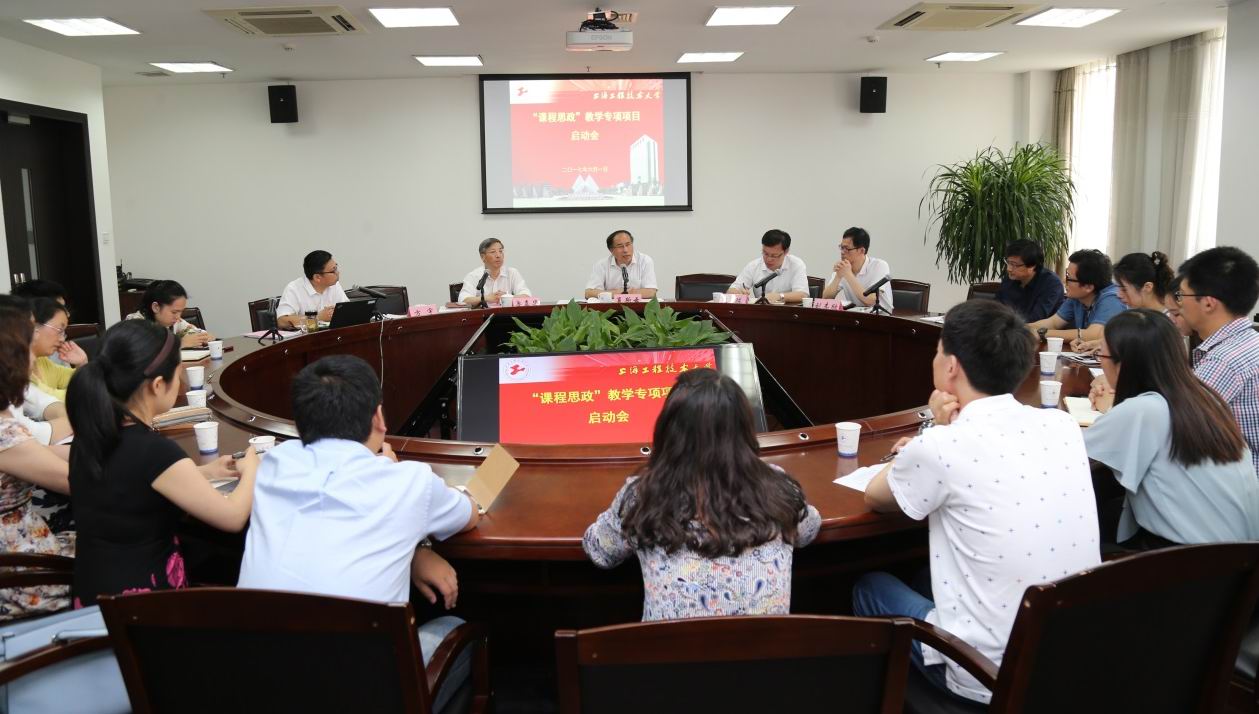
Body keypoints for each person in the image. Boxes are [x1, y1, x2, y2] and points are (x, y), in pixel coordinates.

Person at [854, 299, 1099, 705]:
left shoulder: (943, 444)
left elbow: (876, 496)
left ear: (951, 367)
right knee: (923, 576)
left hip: (986, 677)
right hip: (1066, 661)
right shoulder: (1061, 424)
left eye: (938, 351)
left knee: (870, 586)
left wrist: (932, 431)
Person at [237, 355, 478, 711]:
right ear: (378, 417)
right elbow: (469, 514)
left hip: (260, 686)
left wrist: (415, 549)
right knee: (459, 629)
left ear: (301, 423)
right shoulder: (407, 482)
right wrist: (413, 522)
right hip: (367, 694)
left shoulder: (274, 463)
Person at [583, 368, 820, 620]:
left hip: (670, 646)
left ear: (668, 431)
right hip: (768, 647)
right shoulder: (779, 489)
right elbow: (810, 528)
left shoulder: (643, 495)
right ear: (744, 429)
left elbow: (599, 551)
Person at [67, 320, 256, 607]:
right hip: (146, 605)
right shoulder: (154, 450)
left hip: (92, 593)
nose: (179, 382)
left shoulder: (91, 435)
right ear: (157, 385)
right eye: (177, 374)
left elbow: (132, 481)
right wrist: (252, 469)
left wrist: (205, 472)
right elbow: (232, 518)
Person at [1083, 309, 1259, 549]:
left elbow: (1073, 457)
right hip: (1243, 553)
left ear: (1123, 364)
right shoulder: (1205, 397)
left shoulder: (1142, 410)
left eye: (1101, 354)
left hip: (1188, 559)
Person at [0, 297, 75, 620]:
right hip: (21, 573)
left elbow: (42, 451)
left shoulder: (5, 415)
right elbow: (79, 481)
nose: (33, 358)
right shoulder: (3, 432)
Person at [1174, 246, 1259, 474]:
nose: (1179, 305)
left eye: (1182, 295)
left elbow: (1173, 426)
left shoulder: (1225, 361)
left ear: (1209, 303)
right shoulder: (1250, 341)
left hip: (1238, 486)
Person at [1071, 251, 1176, 354]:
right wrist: (1093, 344)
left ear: (1147, 287)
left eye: (1124, 289)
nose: (1119, 294)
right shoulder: (1138, 315)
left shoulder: (1169, 324)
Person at [1026, 249, 1125, 344]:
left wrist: (1042, 334)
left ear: (1088, 287)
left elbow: (1094, 335)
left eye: (1068, 277)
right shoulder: (1077, 296)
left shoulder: (1113, 299)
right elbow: (1054, 322)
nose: (1064, 281)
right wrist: (1022, 328)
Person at [821, 227, 893, 313]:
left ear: (862, 250)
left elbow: (870, 301)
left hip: (881, 316)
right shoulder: (844, 268)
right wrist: (838, 276)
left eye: (847, 249)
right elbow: (825, 298)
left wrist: (848, 275)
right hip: (856, 316)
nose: (842, 252)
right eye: (841, 247)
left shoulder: (879, 266)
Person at [125, 279, 213, 348]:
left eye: (181, 312)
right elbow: (145, 349)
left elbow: (194, 331)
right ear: (156, 307)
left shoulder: (175, 322)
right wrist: (180, 343)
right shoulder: (135, 323)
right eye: (174, 312)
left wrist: (204, 337)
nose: (178, 317)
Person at [727, 229, 809, 304]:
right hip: (761, 312)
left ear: (786, 251)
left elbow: (803, 294)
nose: (769, 259)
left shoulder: (796, 264)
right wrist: (738, 293)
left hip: (788, 312)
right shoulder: (754, 266)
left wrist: (780, 296)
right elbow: (731, 291)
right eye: (765, 253)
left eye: (774, 256)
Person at [276, 250, 349, 330]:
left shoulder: (334, 285)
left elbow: (347, 311)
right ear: (317, 277)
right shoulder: (294, 288)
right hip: (306, 336)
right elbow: (282, 321)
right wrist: (317, 317)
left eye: (336, 268)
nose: (338, 272)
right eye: (333, 270)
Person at [995, 239, 1064, 322]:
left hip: (1041, 329)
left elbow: (1036, 319)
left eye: (1015, 265)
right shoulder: (1011, 278)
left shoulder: (1052, 284)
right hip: (1009, 327)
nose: (1009, 269)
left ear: (1032, 266)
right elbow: (996, 307)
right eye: (1008, 262)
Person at [30, 297, 85, 401]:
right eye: (60, 330)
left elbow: (72, 379)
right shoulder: (16, 369)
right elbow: (52, 398)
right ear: (35, 326)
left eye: (63, 332)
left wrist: (82, 363)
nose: (62, 339)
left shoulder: (42, 361)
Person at [584, 230, 658, 299]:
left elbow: (651, 292)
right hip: (611, 307)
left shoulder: (645, 261)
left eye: (628, 244)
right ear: (611, 250)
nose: (625, 250)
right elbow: (589, 293)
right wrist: (615, 293)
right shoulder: (601, 265)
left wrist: (628, 293)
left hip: (638, 307)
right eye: (620, 246)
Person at [458, 238, 531, 307]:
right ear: (483, 257)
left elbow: (527, 295)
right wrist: (487, 298)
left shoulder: (512, 273)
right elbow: (463, 300)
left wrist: (507, 297)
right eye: (493, 252)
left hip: (507, 314)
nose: (498, 255)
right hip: (483, 315)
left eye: (500, 251)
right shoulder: (474, 276)